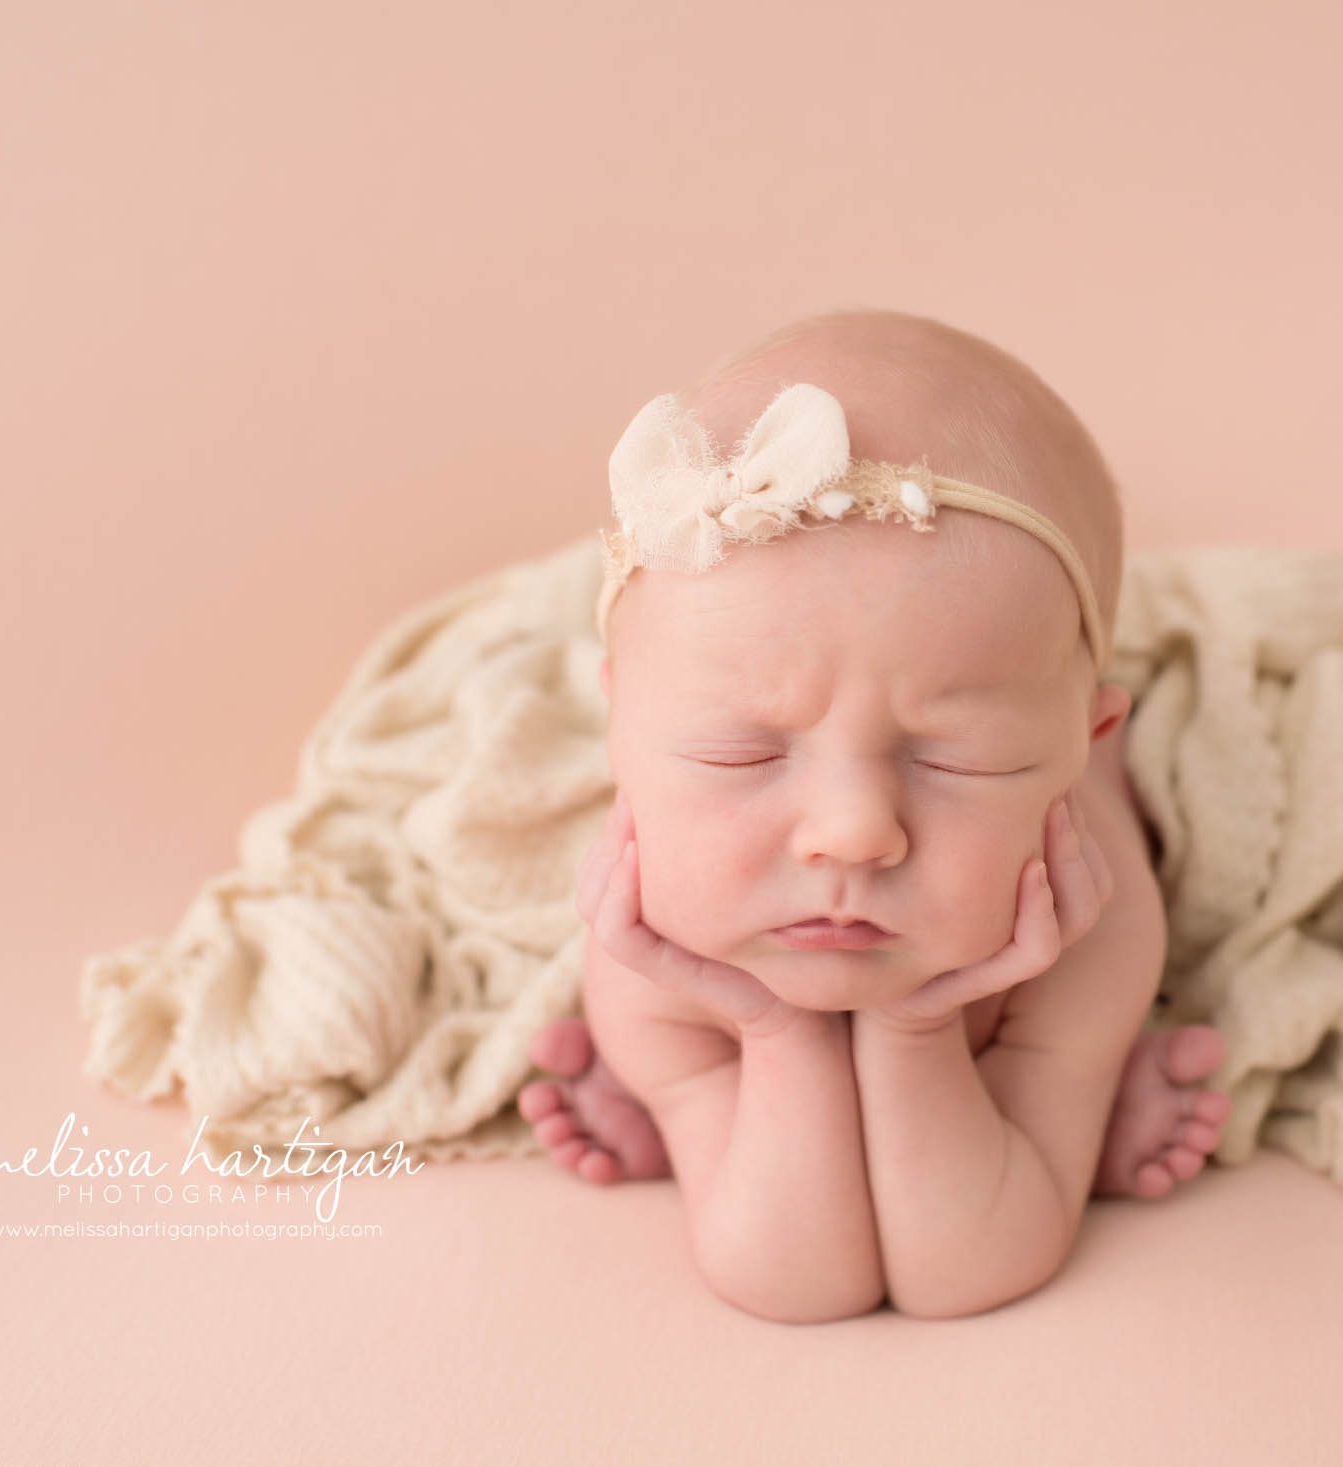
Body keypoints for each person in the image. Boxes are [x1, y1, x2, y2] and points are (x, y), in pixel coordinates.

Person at [519, 308, 1231, 1321]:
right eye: (743, 753)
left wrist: (917, 1023)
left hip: (1020, 959)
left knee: (1022, 1118)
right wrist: (769, 1031)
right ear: (616, 731)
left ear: (1084, 743)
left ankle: (1046, 1105)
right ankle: (718, 1104)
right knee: (713, 1089)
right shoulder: (652, 938)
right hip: (710, 977)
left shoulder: (1080, 919)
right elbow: (792, 1283)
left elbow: (971, 1272)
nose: (852, 833)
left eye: (958, 758)